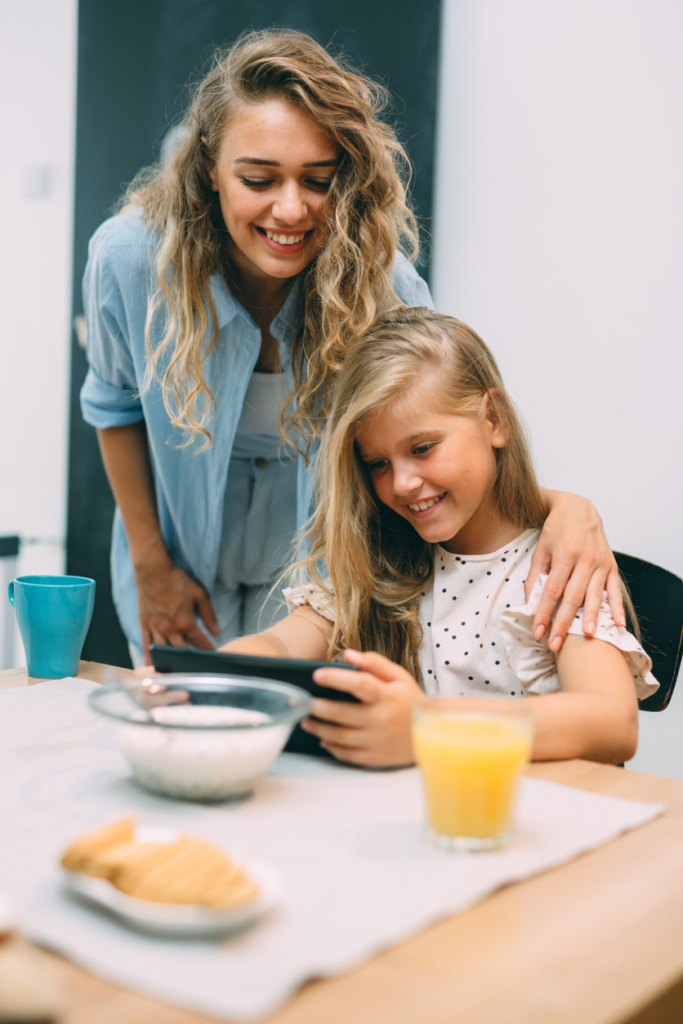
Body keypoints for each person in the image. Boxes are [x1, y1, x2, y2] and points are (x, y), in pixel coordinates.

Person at [81, 29, 624, 667]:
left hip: (316, 560)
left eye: (318, 179)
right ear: (209, 165)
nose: (291, 210)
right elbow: (115, 409)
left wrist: (567, 506)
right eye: (258, 178)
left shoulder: (384, 285)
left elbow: (445, 442)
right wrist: (150, 566)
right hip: (171, 558)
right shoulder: (129, 261)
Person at [223, 308, 658, 767]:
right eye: (378, 464)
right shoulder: (383, 562)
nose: (402, 483)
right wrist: (212, 676)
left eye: (422, 448)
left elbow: (612, 722)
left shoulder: (559, 565)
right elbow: (281, 646)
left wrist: (426, 726)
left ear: (493, 420)